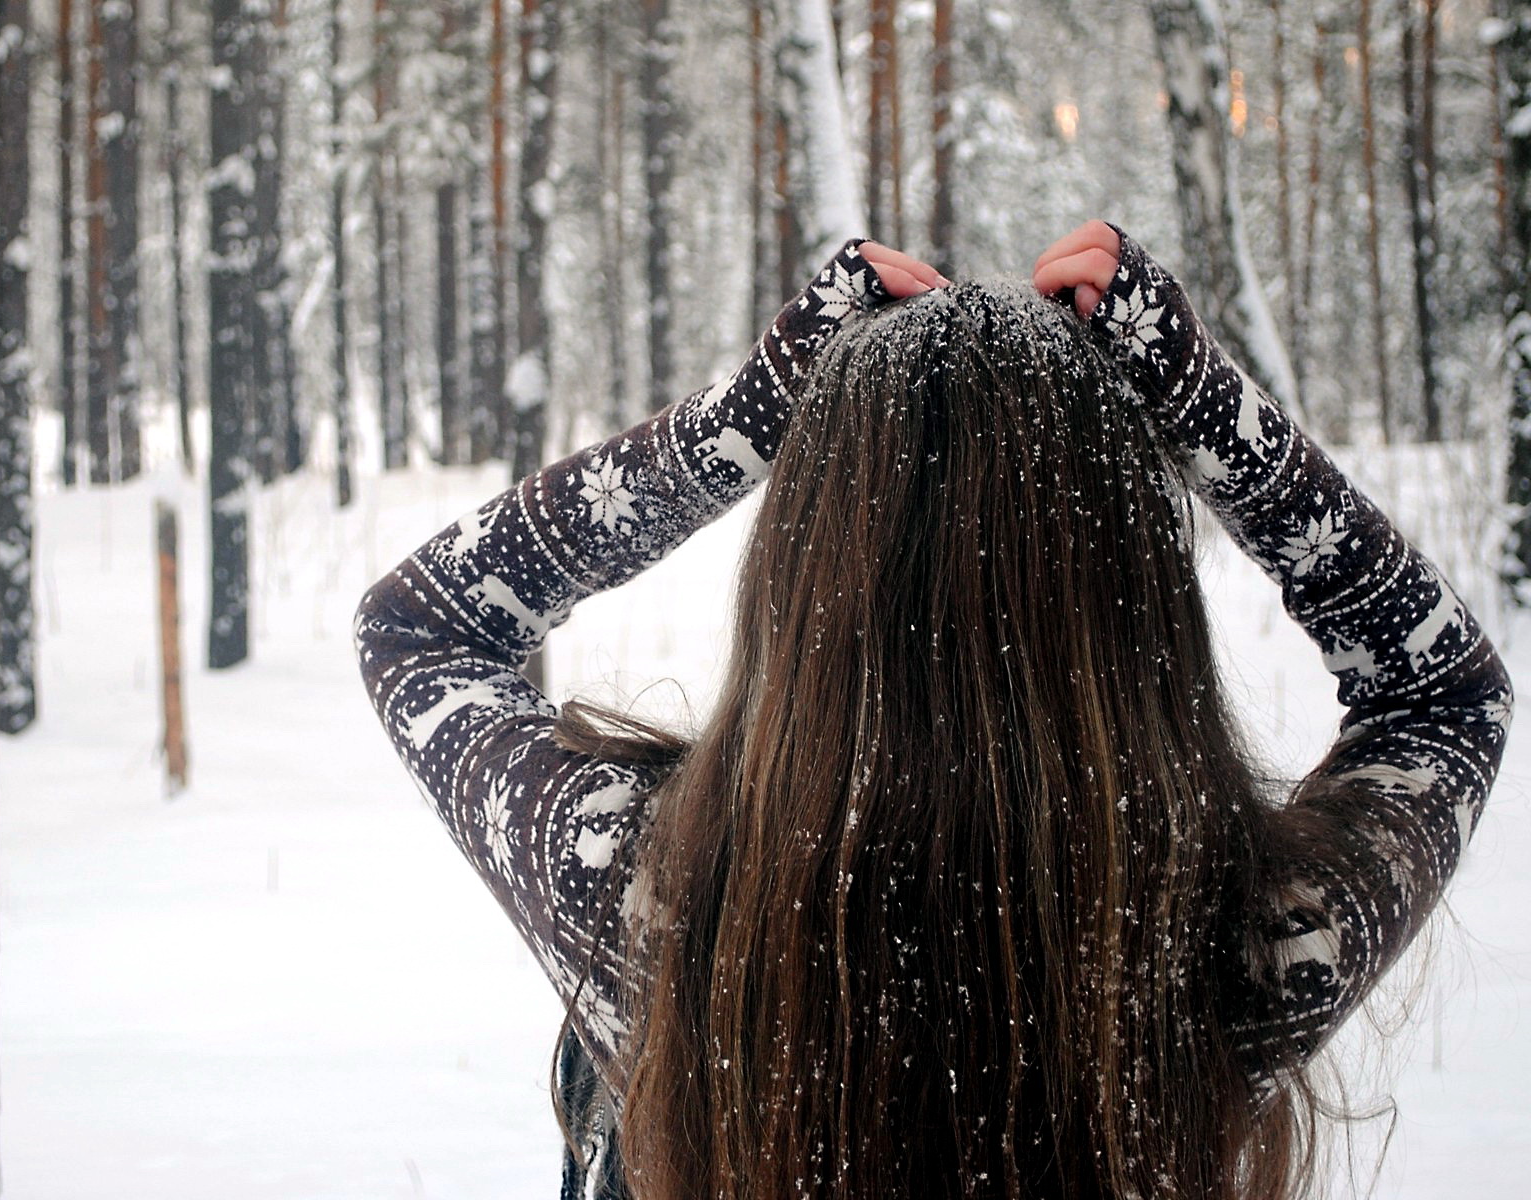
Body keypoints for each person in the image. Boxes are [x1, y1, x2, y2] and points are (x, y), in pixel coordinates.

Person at [351, 221, 1512, 1200]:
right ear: (1138, 613)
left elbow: (422, 629)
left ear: (801, 585)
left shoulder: (657, 904)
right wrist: (1201, 403)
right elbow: (1443, 694)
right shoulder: (1225, 954)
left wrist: (740, 422)